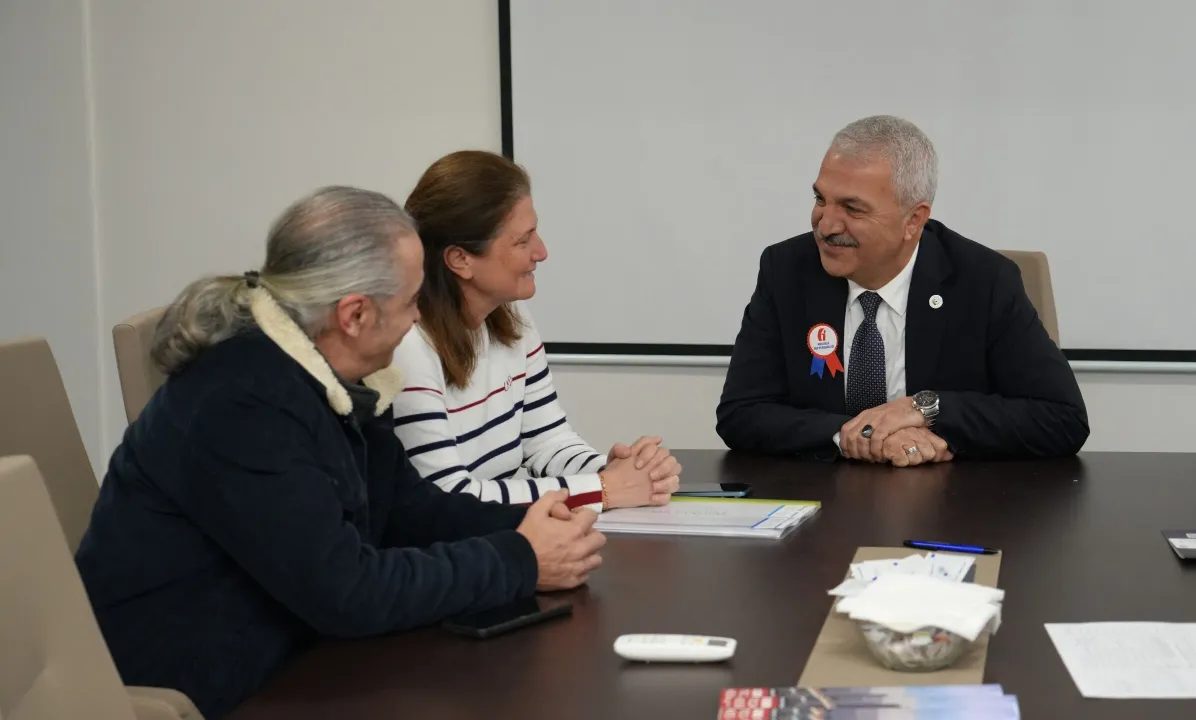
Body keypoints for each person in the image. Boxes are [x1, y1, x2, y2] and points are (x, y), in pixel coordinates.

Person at [74, 187, 606, 719]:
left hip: (296, 656)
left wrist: (533, 525)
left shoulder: (331, 376)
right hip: (203, 685)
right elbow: (345, 591)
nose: (419, 317)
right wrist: (520, 560)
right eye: (411, 301)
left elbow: (407, 510)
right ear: (354, 315)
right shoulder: (242, 403)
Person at [716, 116, 1088, 464]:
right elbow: (741, 412)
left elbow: (1062, 418)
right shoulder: (786, 269)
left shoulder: (983, 280)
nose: (826, 225)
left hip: (954, 507)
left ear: (914, 220)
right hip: (820, 501)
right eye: (820, 199)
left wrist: (923, 409)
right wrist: (856, 437)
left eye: (853, 209)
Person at [392, 150, 680, 510]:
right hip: (455, 551)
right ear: (460, 259)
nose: (541, 252)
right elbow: (449, 497)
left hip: (504, 540)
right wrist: (603, 489)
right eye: (522, 240)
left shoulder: (512, 315)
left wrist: (622, 473)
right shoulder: (408, 346)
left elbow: (547, 441)